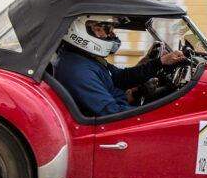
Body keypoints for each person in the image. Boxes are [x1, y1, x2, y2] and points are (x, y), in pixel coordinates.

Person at [54, 15, 185, 117]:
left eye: (108, 29)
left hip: (117, 114)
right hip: (111, 128)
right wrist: (159, 116)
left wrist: (160, 62)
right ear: (79, 30)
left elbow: (122, 77)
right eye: (99, 29)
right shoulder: (77, 69)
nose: (106, 35)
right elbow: (110, 112)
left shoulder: (87, 59)